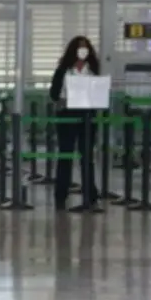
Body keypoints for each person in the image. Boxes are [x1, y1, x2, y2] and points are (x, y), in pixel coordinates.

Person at [49, 35, 101, 212]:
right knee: (65, 155)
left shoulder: (92, 70)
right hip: (67, 114)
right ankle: (61, 194)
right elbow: (54, 93)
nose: (83, 50)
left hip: (87, 115)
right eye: (80, 47)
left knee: (87, 156)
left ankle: (90, 194)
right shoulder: (63, 70)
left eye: (85, 47)